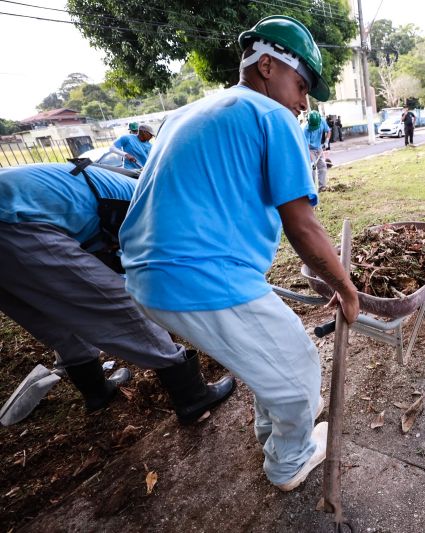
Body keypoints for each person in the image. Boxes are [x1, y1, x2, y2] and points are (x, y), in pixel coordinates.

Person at [119, 15, 360, 492]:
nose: (303, 101)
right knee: (297, 368)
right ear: (267, 66)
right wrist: (346, 288)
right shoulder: (270, 116)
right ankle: (289, 461)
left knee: (265, 353)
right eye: (301, 83)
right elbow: (302, 223)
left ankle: (271, 433)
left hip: (147, 274)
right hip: (200, 273)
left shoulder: (189, 112)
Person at [0, 162, 234, 421]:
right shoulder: (153, 204)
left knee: (50, 314)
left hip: (15, 215)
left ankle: (97, 392)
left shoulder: (140, 192)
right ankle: (193, 398)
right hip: (14, 224)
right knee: (117, 304)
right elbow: (143, 269)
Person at [304, 110, 330, 191]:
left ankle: (322, 187)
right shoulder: (306, 129)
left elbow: (328, 131)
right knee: (312, 169)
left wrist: (326, 142)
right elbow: (307, 147)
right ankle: (311, 190)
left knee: (322, 166)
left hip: (319, 147)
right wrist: (312, 161)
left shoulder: (322, 121)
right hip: (309, 149)